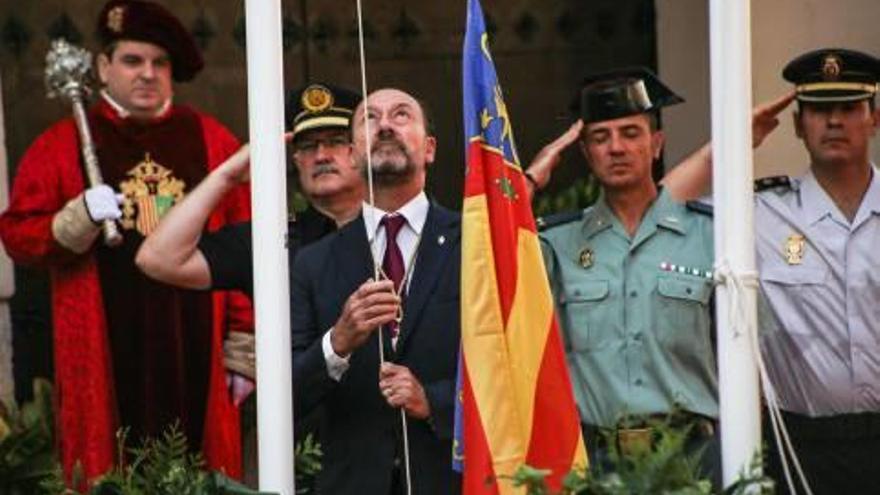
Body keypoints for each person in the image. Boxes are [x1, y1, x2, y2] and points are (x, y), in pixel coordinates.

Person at [0, 0, 251, 481]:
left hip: (196, 345)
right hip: (103, 350)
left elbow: (248, 245)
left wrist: (243, 346)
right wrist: (75, 219)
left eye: (160, 63)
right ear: (102, 66)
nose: (147, 74)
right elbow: (17, 236)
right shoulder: (63, 144)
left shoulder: (213, 142)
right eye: (132, 61)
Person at [670, 47, 880, 494]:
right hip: (803, 446)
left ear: (874, 119)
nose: (835, 121)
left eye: (849, 107)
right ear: (799, 125)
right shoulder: (759, 213)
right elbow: (657, 217)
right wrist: (729, 145)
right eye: (820, 110)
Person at [135, 83, 362, 484]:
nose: (322, 155)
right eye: (308, 146)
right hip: (302, 454)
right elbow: (157, 258)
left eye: (337, 141)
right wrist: (227, 175)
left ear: (363, 149)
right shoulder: (274, 238)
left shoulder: (405, 229)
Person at [537, 68, 719, 480]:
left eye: (631, 133)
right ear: (585, 153)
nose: (616, 148)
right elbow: (487, 269)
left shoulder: (711, 235)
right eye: (600, 138)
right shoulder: (555, 243)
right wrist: (532, 176)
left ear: (656, 144)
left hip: (693, 459)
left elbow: (747, 351)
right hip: (598, 464)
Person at [290, 88, 461, 494]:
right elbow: (285, 399)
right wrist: (338, 342)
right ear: (352, 155)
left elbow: (510, 368)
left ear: (431, 148)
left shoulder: (476, 244)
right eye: (370, 118)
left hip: (451, 480)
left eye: (401, 115)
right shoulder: (313, 263)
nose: (385, 125)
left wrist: (434, 401)